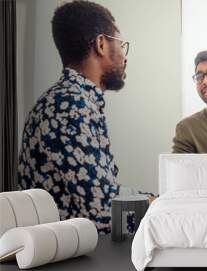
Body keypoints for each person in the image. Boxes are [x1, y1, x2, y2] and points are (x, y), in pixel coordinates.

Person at [18, 1, 129, 233]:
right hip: (71, 262)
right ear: (101, 44)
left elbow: (105, 192)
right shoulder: (69, 107)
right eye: (121, 44)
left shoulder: (72, 100)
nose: (124, 56)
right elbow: (104, 213)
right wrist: (160, 210)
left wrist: (153, 201)